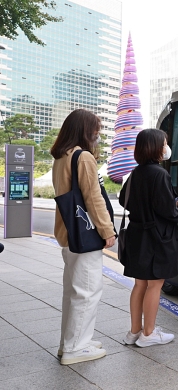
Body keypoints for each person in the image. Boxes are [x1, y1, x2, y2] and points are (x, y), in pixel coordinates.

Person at [120, 129, 178, 347]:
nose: (166, 147)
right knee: (155, 284)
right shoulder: (159, 174)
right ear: (155, 147)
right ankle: (149, 334)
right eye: (164, 143)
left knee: (140, 284)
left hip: (137, 235)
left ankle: (134, 332)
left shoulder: (136, 173)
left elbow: (125, 200)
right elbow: (167, 211)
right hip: (156, 238)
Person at [51, 109, 116, 365]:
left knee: (72, 292)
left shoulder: (61, 156)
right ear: (85, 131)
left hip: (68, 233)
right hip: (84, 235)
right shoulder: (83, 156)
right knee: (87, 291)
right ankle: (76, 347)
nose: (97, 135)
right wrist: (107, 231)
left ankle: (70, 342)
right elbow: (93, 198)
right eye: (96, 130)